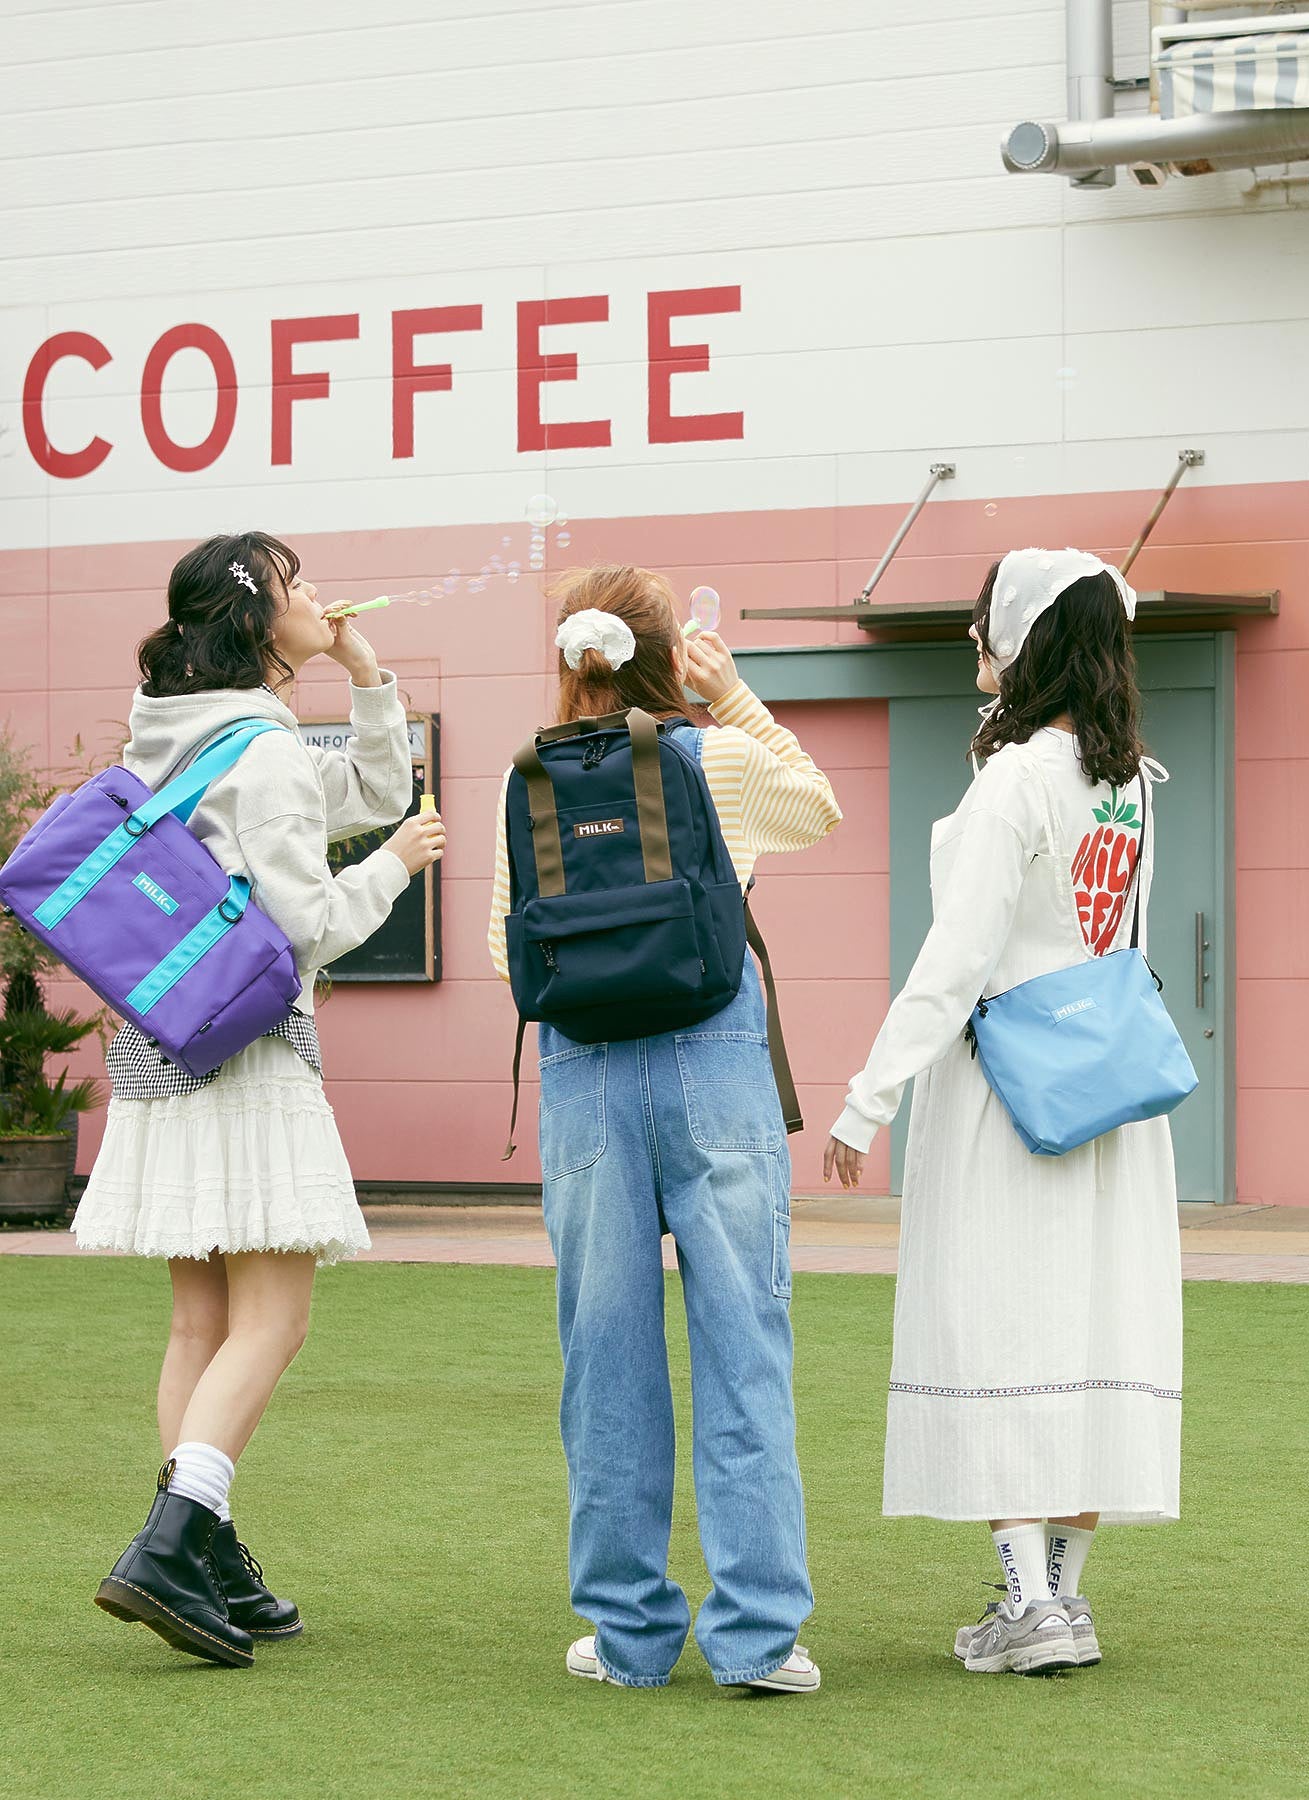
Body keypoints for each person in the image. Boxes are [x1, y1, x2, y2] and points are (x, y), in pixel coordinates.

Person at [77, 530, 446, 1668]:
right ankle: (171, 1545)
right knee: (275, 1319)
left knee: (201, 1321)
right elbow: (306, 926)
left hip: (159, 1046)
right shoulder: (268, 751)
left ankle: (208, 1551)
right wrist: (395, 865)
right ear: (254, 618)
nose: (317, 593)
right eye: (295, 585)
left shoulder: (174, 737)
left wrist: (363, 671)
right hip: (247, 1055)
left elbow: (371, 785)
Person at [824, 548, 1181, 1677]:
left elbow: (959, 956)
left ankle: (1028, 1604)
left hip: (1005, 1096)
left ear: (1028, 641)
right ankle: (1059, 1601)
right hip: (1111, 1098)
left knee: (995, 1324)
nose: (973, 640)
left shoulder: (1015, 780)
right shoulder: (1131, 781)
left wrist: (867, 1097)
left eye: (986, 623)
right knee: (1087, 1330)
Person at [489, 564, 841, 1693]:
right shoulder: (715, 758)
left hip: (585, 1073)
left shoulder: (531, 778)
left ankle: (631, 1636)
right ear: (665, 654)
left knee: (605, 1361)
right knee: (744, 1345)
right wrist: (730, 694)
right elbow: (818, 807)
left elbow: (507, 948)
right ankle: (758, 1638)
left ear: (567, 657)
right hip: (713, 1064)